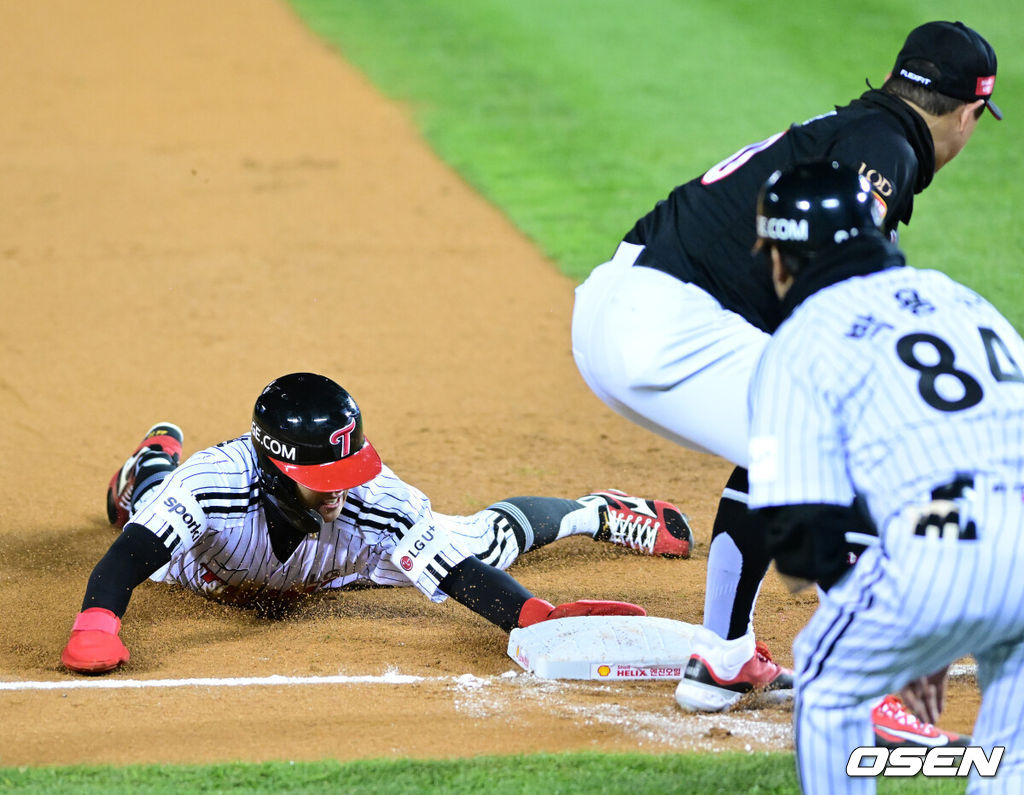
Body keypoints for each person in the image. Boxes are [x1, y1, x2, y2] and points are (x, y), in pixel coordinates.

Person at [570, 19, 999, 736]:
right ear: (967, 113)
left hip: (617, 310)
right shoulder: (882, 149)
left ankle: (723, 657)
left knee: (783, 438)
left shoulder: (855, 130)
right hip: (669, 325)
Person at [61, 372, 694, 674]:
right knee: (147, 510)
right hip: (209, 564)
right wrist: (97, 621)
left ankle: (596, 512)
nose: (343, 490)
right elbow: (127, 562)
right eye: (325, 480)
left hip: (342, 563)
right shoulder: (213, 487)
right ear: (277, 468)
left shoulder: (370, 499)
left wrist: (532, 616)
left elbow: (457, 572)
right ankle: (146, 464)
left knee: (486, 543)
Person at [745, 159, 1024, 791]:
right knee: (1012, 748)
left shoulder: (803, 339)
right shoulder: (961, 298)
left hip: (946, 546)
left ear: (785, 257)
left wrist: (914, 625)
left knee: (826, 679)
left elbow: (799, 536)